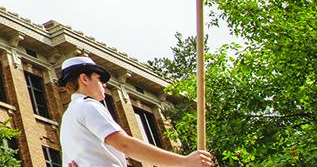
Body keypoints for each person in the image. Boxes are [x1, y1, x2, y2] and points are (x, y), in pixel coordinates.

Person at [57, 56, 213, 167]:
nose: (104, 85)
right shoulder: (88, 106)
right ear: (84, 79)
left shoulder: (69, 117)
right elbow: (125, 145)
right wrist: (184, 162)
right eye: (99, 79)